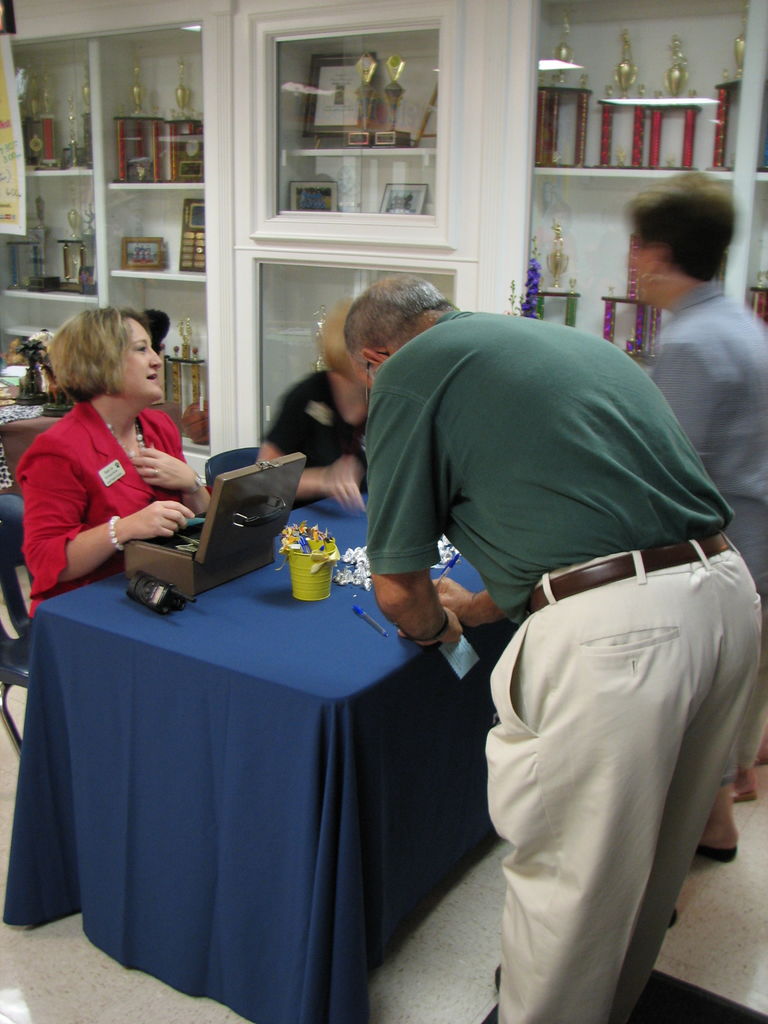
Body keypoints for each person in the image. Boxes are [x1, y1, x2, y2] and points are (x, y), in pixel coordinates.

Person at [343, 276, 761, 1024]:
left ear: (375, 357)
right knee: (648, 865)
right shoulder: (560, 340)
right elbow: (583, 516)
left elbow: (397, 590)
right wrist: (477, 605)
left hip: (623, 640)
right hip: (726, 594)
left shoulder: (408, 370)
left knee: (572, 882)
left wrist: (440, 630)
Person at [629, 172, 768, 856]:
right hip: (753, 544)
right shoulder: (739, 322)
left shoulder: (689, 343)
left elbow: (672, 471)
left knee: (690, 709)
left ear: (656, 255)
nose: (632, 261)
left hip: (718, 552)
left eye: (636, 245)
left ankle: (690, 846)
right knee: (717, 706)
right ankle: (717, 823)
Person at [18, 307, 210, 614]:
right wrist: (122, 529)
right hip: (89, 608)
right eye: (141, 349)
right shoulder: (57, 451)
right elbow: (44, 560)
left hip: (163, 590)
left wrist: (193, 484)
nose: (156, 360)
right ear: (100, 364)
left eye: (153, 348)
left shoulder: (157, 426)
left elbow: (204, 522)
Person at [258, 299, 367, 510]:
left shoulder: (382, 398)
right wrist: (324, 480)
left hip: (362, 517)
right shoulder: (306, 397)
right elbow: (265, 481)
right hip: (306, 525)